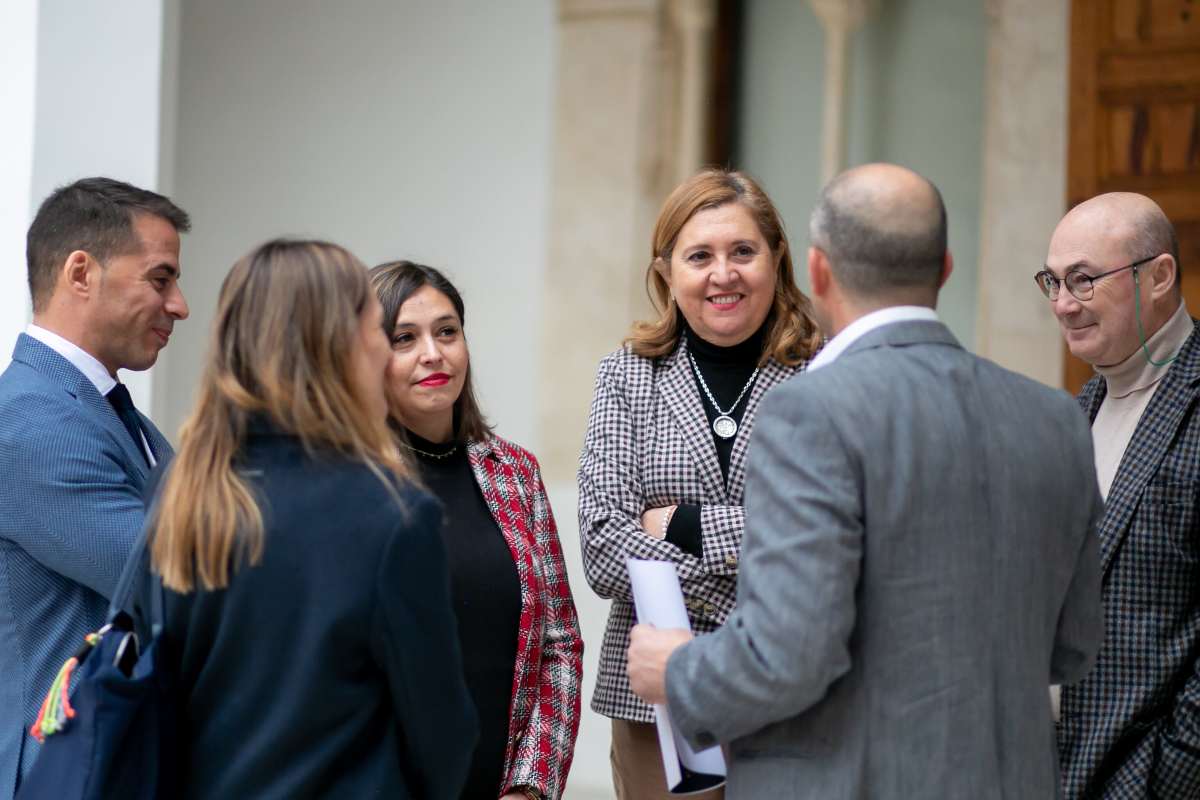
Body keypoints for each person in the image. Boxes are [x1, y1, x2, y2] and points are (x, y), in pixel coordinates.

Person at [626, 163, 1105, 798]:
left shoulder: (807, 411)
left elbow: (788, 657)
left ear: (817, 271)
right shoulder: (1056, 419)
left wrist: (677, 669)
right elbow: (1071, 649)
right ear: (945, 269)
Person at [135, 240, 477, 798]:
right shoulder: (392, 513)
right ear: (338, 347)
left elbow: (151, 681)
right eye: (379, 330)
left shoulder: (179, 487)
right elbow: (441, 732)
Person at [577, 168, 822, 798]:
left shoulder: (825, 373)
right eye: (699, 256)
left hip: (791, 691)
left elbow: (835, 534)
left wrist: (681, 524)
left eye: (743, 251)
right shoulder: (626, 377)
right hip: (656, 707)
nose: (723, 274)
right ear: (666, 271)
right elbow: (605, 552)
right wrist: (761, 549)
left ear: (776, 257)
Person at [0, 177, 190, 797]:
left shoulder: (112, 414)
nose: (180, 305)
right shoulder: (31, 423)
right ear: (81, 272)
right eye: (160, 279)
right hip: (68, 774)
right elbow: (175, 581)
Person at [370, 260, 583, 800]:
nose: (433, 354)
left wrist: (531, 787)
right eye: (404, 338)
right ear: (367, 356)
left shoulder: (514, 472)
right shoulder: (349, 478)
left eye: (447, 332)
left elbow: (559, 646)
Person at [1042, 192, 1200, 799]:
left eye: (1082, 280)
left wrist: (1170, 775)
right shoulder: (1076, 411)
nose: (1062, 305)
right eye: (1052, 282)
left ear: (1159, 275)